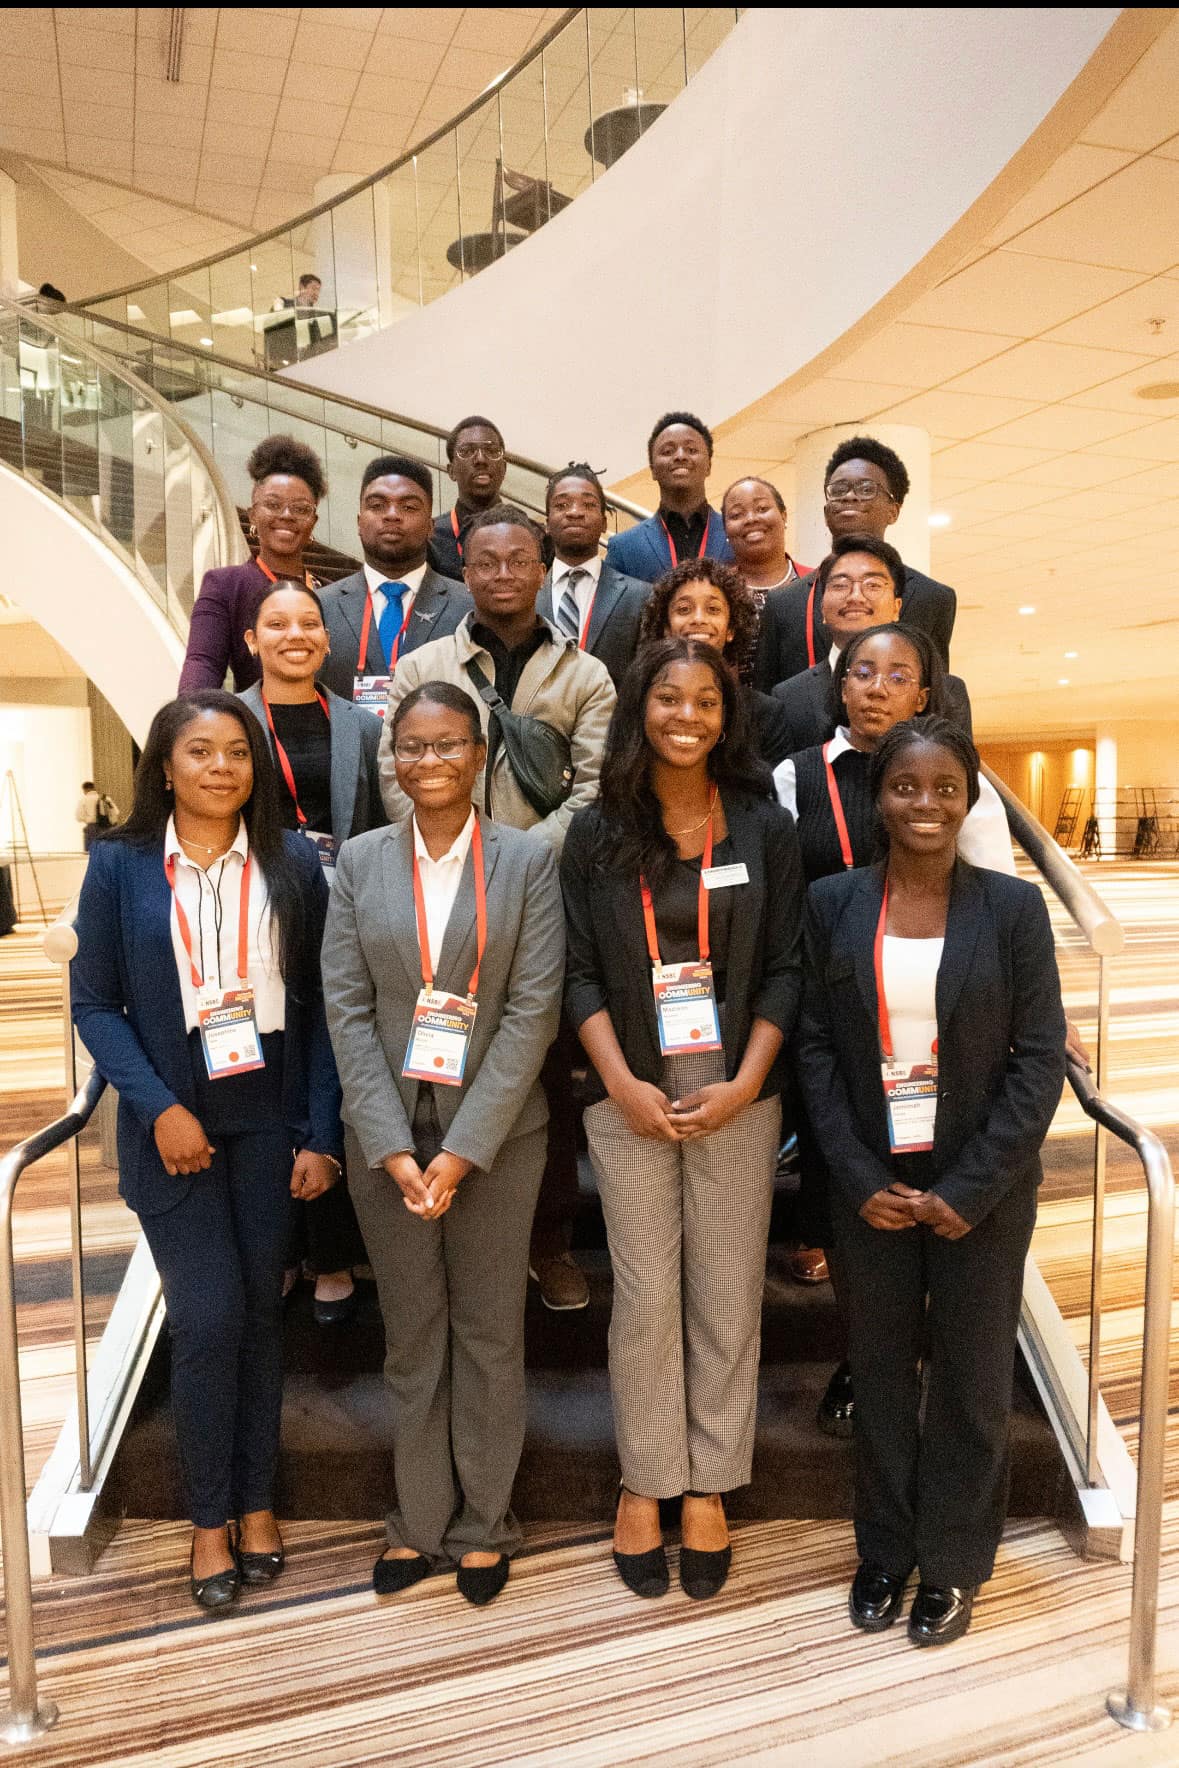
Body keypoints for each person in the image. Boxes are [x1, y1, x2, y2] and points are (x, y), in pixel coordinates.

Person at [70, 690, 343, 1612]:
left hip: (267, 1115)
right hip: (172, 1125)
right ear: (164, 765)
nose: (220, 767)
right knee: (209, 1319)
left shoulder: (292, 861)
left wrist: (318, 1132)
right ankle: (208, 1519)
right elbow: (95, 1006)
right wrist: (156, 1109)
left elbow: (315, 1008)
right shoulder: (118, 867)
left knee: (263, 1318)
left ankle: (259, 1501)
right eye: (199, 751)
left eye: (237, 751)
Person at [797, 717, 1065, 1646]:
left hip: (977, 1188)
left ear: (968, 797)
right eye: (905, 787)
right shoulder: (832, 903)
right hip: (867, 1182)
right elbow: (817, 1051)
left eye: (944, 787)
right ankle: (884, 1547)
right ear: (878, 797)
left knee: (970, 1378)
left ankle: (951, 1562)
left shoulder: (1012, 909)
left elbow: (1037, 1062)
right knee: (875, 1374)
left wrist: (972, 1187)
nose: (925, 803)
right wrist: (856, 1172)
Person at [562, 637, 803, 1600]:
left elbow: (785, 965)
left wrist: (746, 1084)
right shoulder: (596, 830)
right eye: (669, 697)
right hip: (628, 1083)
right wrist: (617, 1082)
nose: (688, 716)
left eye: (706, 700)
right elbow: (578, 968)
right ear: (640, 707)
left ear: (726, 716)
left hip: (736, 1086)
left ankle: (707, 1481)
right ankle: (645, 1478)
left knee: (724, 1293)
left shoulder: (761, 824)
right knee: (647, 1296)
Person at [322, 681, 564, 1606]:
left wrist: (459, 1152)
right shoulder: (361, 864)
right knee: (411, 1338)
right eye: (411, 747)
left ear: (479, 754)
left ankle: (484, 1524)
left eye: (448, 745)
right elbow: (344, 1009)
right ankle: (417, 1520)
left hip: (494, 1141)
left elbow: (532, 1012)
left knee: (490, 1333)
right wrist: (389, 1147)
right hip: (384, 1138)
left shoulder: (526, 863)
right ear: (393, 758)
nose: (430, 762)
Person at [379, 505, 616, 1311]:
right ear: (465, 571)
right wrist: (460, 859)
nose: (503, 574)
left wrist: (509, 864)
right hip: (433, 895)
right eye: (486, 562)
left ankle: (546, 1241)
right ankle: (432, 1217)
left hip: (542, 899)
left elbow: (593, 793)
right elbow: (394, 771)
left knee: (540, 1073)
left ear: (544, 567)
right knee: (435, 1058)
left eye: (520, 559)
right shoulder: (422, 665)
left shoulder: (583, 675)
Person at [774, 625, 1011, 1411]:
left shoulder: (944, 781)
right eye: (861, 672)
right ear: (837, 686)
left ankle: (919, 1357)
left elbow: (1002, 906)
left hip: (933, 1009)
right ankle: (865, 1354)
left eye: (897, 673)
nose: (876, 686)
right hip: (837, 1007)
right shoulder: (796, 776)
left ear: (923, 691)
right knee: (842, 1202)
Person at [239, 580, 387, 1323]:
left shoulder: (359, 723)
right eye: (276, 623)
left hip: (344, 905)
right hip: (251, 912)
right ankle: (283, 1246)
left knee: (338, 1055)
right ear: (251, 639)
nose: (294, 634)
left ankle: (333, 1246)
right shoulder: (227, 716)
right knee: (272, 1062)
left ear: (326, 640)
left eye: (308, 623)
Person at [756, 436, 957, 686]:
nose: (850, 497)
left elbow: (938, 696)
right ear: (826, 509)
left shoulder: (933, 598)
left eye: (865, 489)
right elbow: (767, 703)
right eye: (838, 490)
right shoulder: (784, 603)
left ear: (893, 510)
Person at [770, 537, 973, 752]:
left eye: (872, 585)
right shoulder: (788, 696)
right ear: (821, 609)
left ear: (897, 607)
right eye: (840, 585)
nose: (855, 596)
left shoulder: (949, 692)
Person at [317, 455, 471, 708]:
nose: (392, 515)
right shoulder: (321, 607)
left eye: (408, 507)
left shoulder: (466, 607)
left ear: (431, 526)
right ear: (358, 522)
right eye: (377, 506)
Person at [179, 435, 325, 694]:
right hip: (255, 730)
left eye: (300, 509)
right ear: (253, 515)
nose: (286, 515)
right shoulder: (226, 586)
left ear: (313, 521)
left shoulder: (329, 593)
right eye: (273, 504)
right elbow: (202, 666)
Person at [637, 559, 795, 766]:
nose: (699, 619)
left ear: (731, 628)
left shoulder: (766, 714)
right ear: (666, 627)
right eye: (684, 609)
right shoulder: (639, 701)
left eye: (713, 609)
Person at [540, 463, 650, 689]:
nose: (575, 512)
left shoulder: (641, 596)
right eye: (562, 505)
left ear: (604, 522)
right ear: (547, 524)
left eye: (588, 505)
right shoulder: (526, 593)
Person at [604, 413, 734, 582]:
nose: (680, 456)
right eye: (667, 451)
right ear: (652, 470)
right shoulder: (623, 547)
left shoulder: (736, 534)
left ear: (709, 465)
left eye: (692, 450)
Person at [429, 416, 508, 579]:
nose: (481, 459)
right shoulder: (431, 538)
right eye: (467, 451)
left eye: (491, 451)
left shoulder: (530, 534)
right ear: (451, 471)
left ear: (504, 469)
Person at [722, 476, 811, 607]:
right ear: (725, 530)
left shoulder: (819, 583)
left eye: (762, 508)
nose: (751, 519)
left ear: (784, 516)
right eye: (737, 514)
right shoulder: (715, 590)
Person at [76, 780, 120, 851]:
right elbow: (116, 812)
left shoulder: (83, 800)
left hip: (91, 829)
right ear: (93, 788)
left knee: (90, 853)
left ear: (85, 789)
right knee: (106, 851)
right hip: (106, 827)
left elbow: (79, 817)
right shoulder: (105, 798)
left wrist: (87, 819)